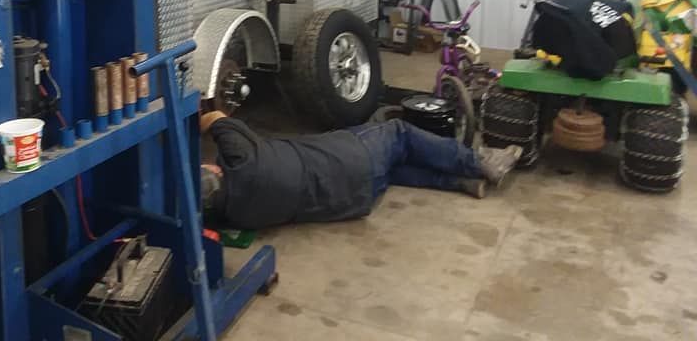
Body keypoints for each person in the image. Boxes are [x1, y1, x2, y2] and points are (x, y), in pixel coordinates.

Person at [200, 110, 522, 230]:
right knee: (398, 133)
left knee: (390, 169)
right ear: (214, 170)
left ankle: (460, 182)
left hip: (354, 200)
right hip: (351, 160)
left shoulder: (238, 217)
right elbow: (214, 117)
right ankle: (480, 163)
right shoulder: (241, 156)